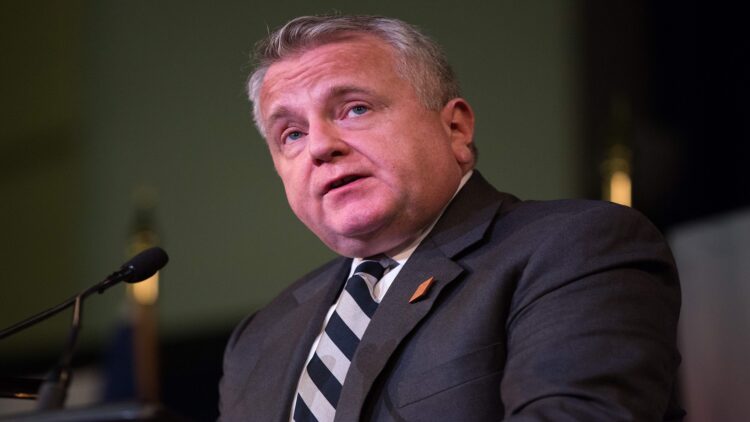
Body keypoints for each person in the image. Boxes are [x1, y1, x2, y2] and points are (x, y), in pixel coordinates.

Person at [219, 14, 683, 421]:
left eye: (355, 109)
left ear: (455, 127)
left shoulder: (572, 248)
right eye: (292, 134)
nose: (320, 147)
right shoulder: (261, 337)